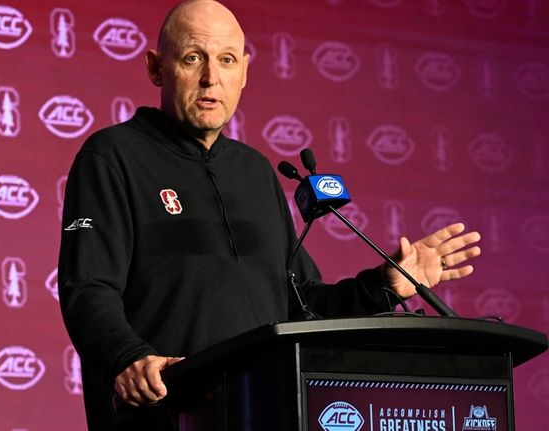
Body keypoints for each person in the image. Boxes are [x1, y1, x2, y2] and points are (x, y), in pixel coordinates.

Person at [57, 1, 482, 430]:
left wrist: (385, 284)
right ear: (155, 67)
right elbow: (88, 289)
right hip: (166, 415)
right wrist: (127, 357)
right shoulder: (112, 156)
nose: (211, 78)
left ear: (243, 72)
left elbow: (303, 304)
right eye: (192, 58)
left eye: (225, 61)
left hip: (262, 411)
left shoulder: (255, 171)